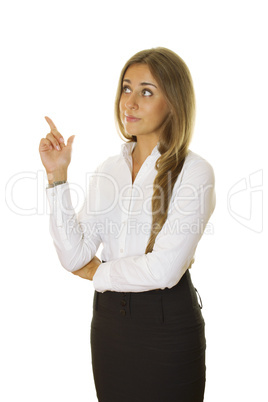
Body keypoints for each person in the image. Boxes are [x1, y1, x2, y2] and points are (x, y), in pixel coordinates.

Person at [39, 47, 216, 402]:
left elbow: (164, 270)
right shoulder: (109, 169)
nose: (129, 102)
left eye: (146, 91)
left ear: (174, 102)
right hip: (110, 328)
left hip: (167, 327)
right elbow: (74, 256)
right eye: (126, 88)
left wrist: (99, 274)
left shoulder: (195, 172)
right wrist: (57, 176)